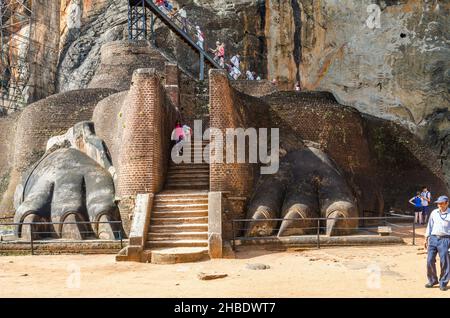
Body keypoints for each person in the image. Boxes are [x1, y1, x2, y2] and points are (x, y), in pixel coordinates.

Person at [425, 195, 450, 291]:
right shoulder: (434, 213)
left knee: (445, 261)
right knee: (429, 260)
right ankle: (432, 280)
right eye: (438, 203)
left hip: (445, 240)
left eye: (442, 203)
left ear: (447, 203)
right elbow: (429, 226)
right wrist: (426, 238)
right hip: (433, 239)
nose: (439, 205)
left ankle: (443, 282)